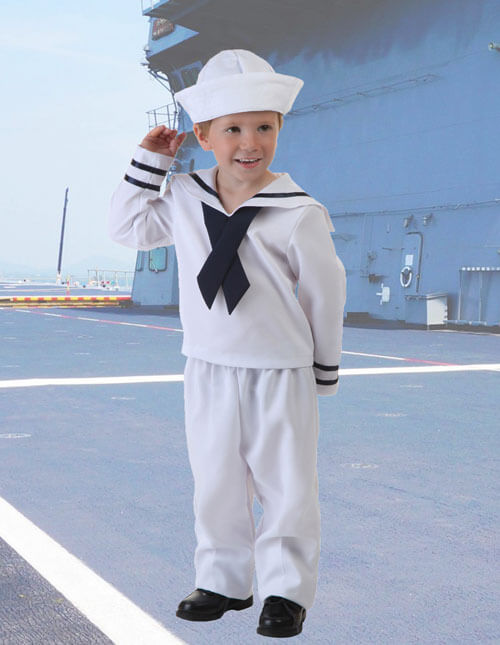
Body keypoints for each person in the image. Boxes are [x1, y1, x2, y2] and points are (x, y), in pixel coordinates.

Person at [108, 49, 346, 639]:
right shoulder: (185, 197)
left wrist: (324, 367)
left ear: (279, 129)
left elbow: (325, 295)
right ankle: (223, 579)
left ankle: (286, 591)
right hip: (209, 366)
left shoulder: (299, 213)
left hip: (279, 371)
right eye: (233, 129)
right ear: (204, 135)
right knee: (214, 478)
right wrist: (149, 162)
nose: (250, 142)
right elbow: (128, 229)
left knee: (287, 483)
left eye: (263, 127)